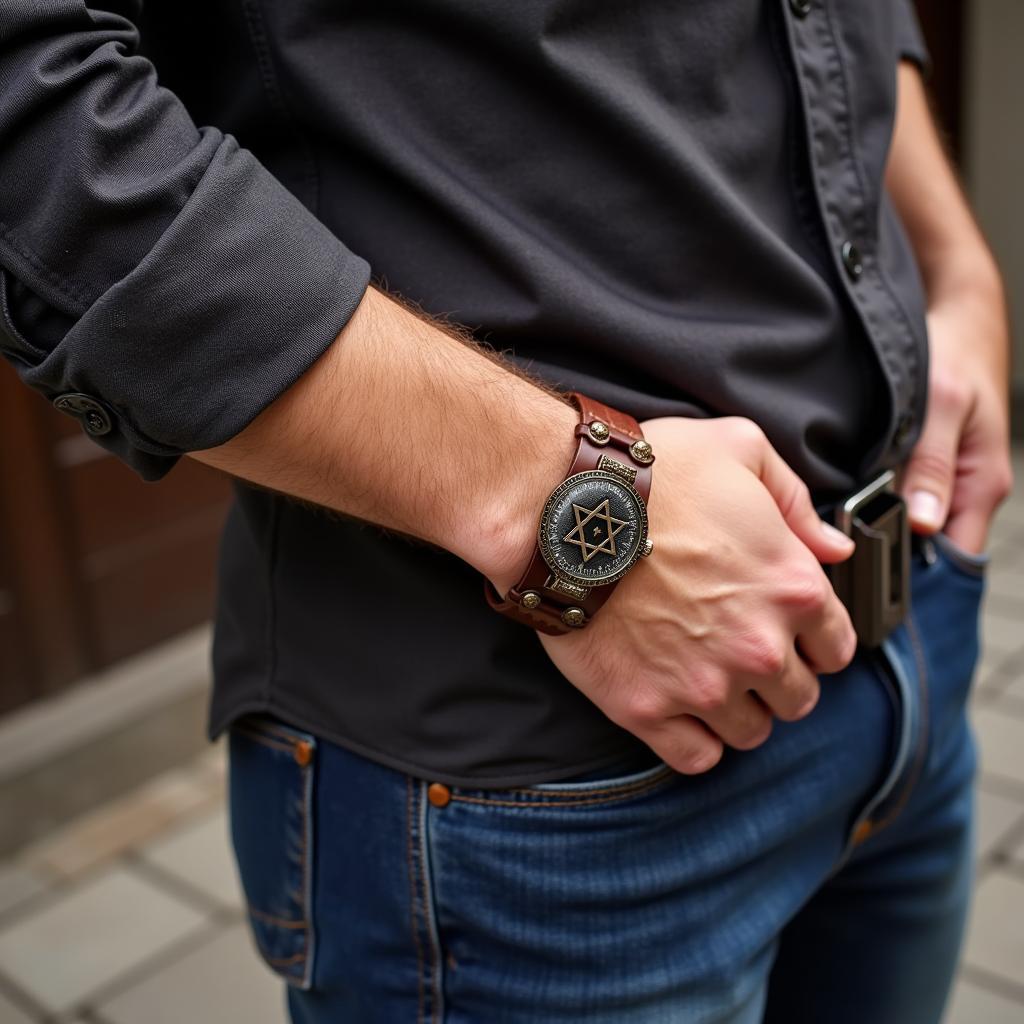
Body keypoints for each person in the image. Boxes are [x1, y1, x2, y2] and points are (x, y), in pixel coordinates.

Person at [0, 1, 1011, 1021]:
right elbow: (30, 110)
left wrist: (957, 268)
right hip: (551, 802)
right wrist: (570, 507)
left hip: (911, 645)